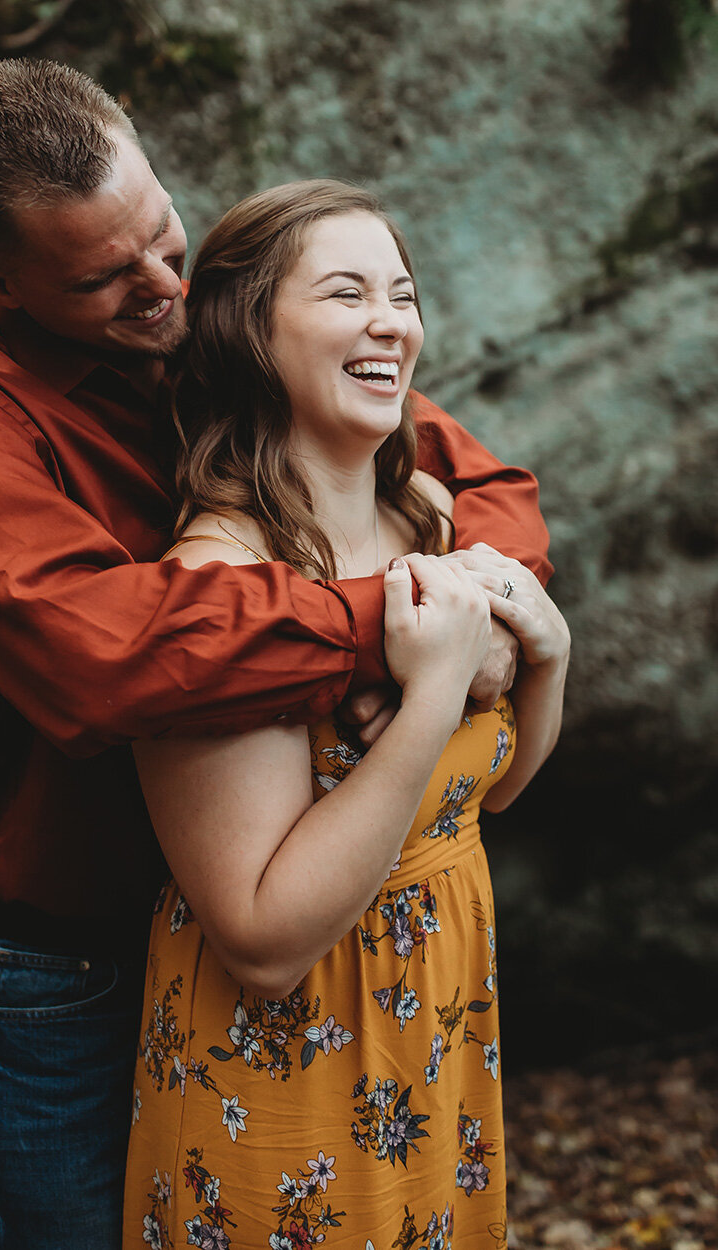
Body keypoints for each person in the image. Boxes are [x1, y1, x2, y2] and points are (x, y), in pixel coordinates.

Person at [0, 59, 552, 1249]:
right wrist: (401, 627)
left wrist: (492, 602)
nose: (158, 287)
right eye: (104, 276)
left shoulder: (219, 335)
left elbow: (478, 482)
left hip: (353, 951)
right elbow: (113, 655)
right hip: (76, 946)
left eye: (162, 235)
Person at [122, 180, 570, 1249]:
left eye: (402, 293)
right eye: (346, 293)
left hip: (437, 1029)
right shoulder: (215, 584)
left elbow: (484, 794)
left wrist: (548, 659)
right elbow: (263, 936)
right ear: (247, 330)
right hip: (288, 1065)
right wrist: (427, 692)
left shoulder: (423, 514)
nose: (391, 321)